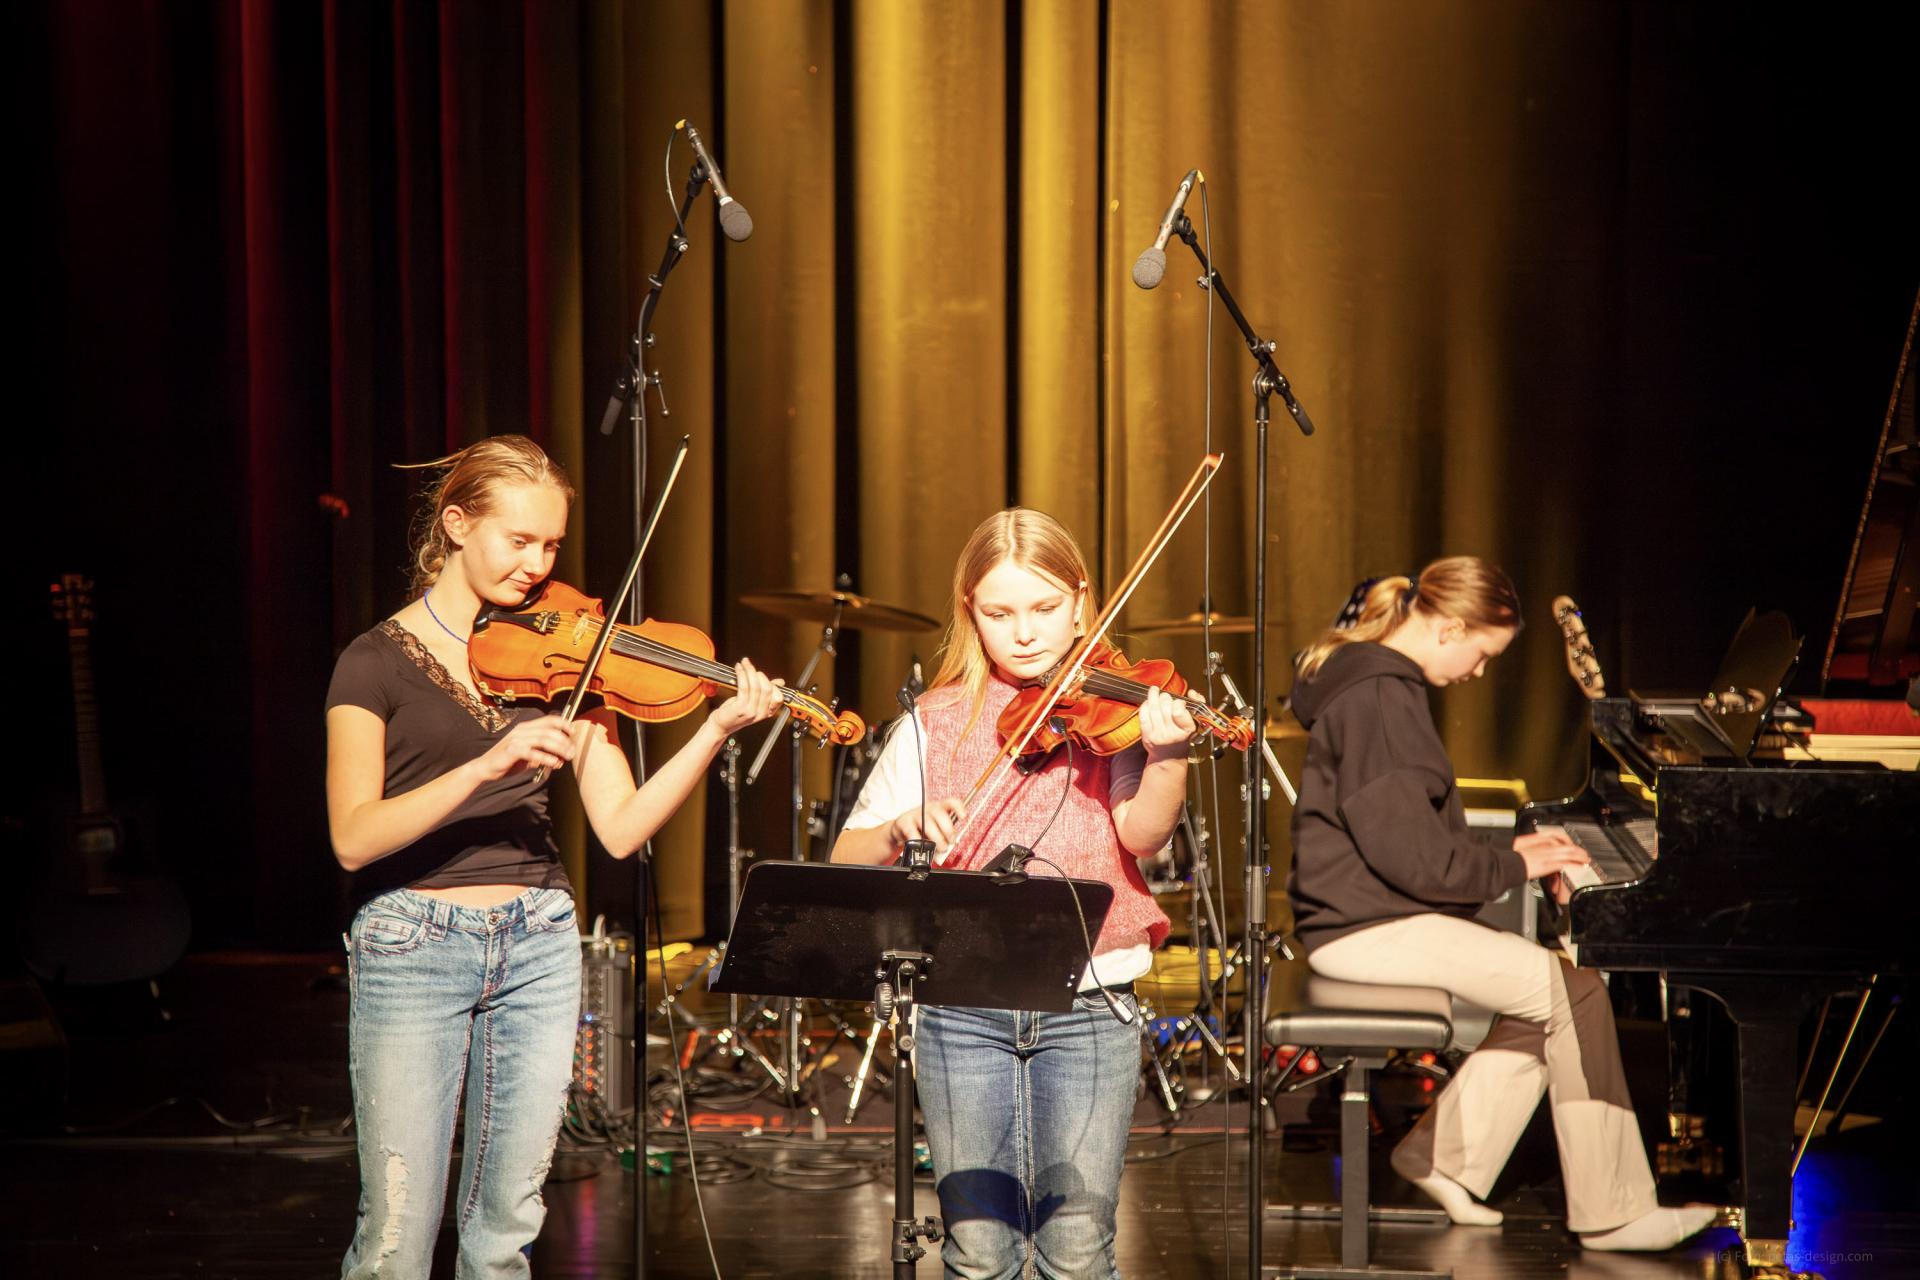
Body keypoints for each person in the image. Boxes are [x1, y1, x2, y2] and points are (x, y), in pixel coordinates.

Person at [324, 434, 780, 1278]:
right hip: (413, 942)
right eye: (519, 540)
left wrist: (713, 730)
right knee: (397, 1232)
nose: (538, 565)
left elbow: (620, 826)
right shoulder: (373, 663)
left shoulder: (569, 661)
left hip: (537, 938)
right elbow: (353, 835)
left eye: (552, 545)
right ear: (458, 525)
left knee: (507, 1229)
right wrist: (487, 764)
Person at [1286, 555, 1715, 1252]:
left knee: (1557, 994)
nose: (1479, 672)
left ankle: (1440, 1158)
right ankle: (1612, 1213)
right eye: (1483, 655)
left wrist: (1520, 855)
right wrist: (1517, 863)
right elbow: (1415, 860)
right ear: (1450, 628)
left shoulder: (1376, 685)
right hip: (1363, 926)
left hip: (1369, 914)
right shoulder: (1378, 700)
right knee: (1572, 995)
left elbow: (1416, 837)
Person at [831, 507, 1187, 1279]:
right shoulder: (937, 719)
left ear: (1083, 601)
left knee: (1078, 1248)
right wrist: (903, 825)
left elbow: (1142, 835)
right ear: (971, 615)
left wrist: (1170, 755)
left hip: (1091, 1003)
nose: (1025, 633)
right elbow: (846, 854)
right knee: (979, 1251)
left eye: (1045, 609)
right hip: (961, 1007)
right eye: (1000, 614)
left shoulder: (1115, 707)